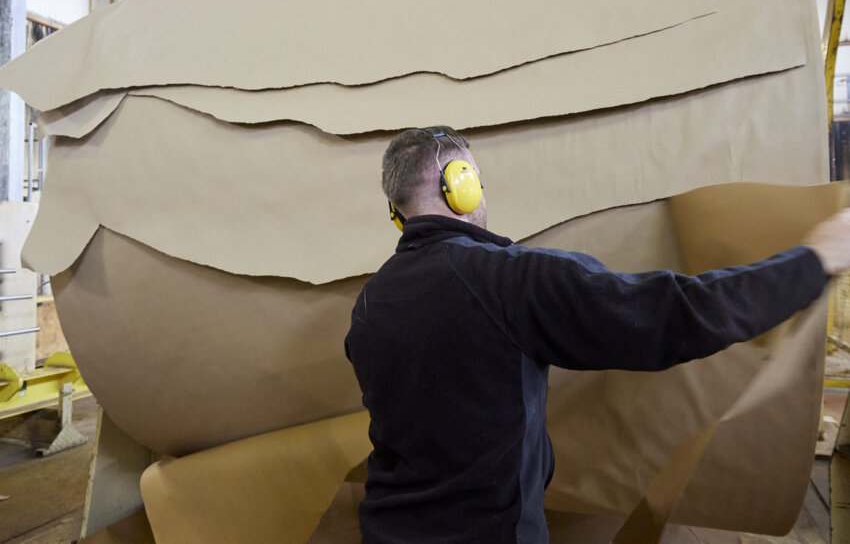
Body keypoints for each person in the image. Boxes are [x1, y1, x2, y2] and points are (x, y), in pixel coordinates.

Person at [344, 126, 850, 544]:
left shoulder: (368, 306)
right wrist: (813, 261)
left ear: (397, 211)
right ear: (462, 183)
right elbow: (681, 314)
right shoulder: (508, 279)